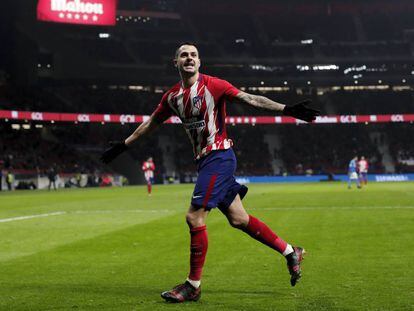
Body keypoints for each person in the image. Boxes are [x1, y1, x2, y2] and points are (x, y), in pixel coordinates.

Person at [100, 43, 320, 303]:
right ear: (176, 63)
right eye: (184, 55)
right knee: (239, 218)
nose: (189, 58)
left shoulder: (215, 85)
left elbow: (250, 98)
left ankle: (193, 285)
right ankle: (290, 251)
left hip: (219, 156)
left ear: (200, 61)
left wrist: (286, 109)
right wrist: (123, 146)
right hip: (205, 161)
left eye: (193, 55)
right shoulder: (172, 97)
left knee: (194, 217)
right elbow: (150, 124)